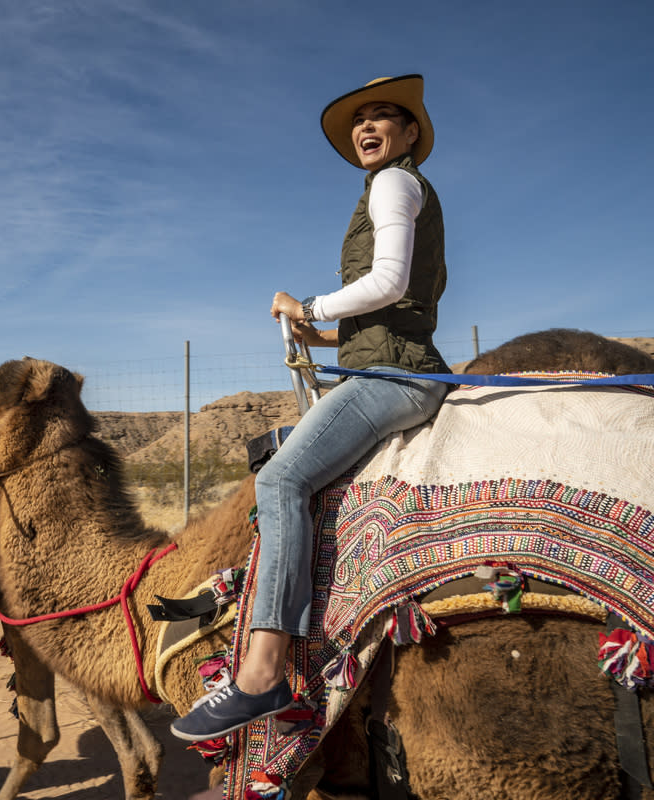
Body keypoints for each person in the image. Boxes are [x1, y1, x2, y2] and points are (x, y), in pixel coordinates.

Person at [170, 75, 451, 743]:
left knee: (280, 479)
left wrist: (310, 306)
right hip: (386, 359)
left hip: (397, 376)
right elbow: (388, 308)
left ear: (411, 134)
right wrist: (320, 334)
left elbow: (390, 281)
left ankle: (262, 677)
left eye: (385, 116)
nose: (367, 127)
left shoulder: (394, 183)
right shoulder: (391, 187)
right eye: (360, 120)